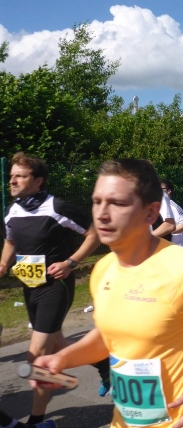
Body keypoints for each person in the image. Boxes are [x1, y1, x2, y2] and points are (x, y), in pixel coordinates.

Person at [31, 158, 183, 428]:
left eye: (117, 203)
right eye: (97, 202)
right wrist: (61, 359)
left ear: (151, 213)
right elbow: (109, 337)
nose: (102, 214)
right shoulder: (103, 269)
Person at [0, 152, 109, 425]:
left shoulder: (56, 206)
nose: (12, 180)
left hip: (55, 286)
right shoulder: (13, 210)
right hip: (30, 288)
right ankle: (102, 363)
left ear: (38, 181)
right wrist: (2, 264)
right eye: (11, 175)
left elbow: (94, 234)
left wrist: (71, 262)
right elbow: (11, 242)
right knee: (57, 344)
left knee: (36, 356)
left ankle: (37, 421)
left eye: (19, 176)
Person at [159, 179, 183, 247]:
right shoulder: (158, 206)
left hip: (176, 246)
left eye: (160, 189)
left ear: (169, 191)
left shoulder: (173, 207)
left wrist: (166, 233)